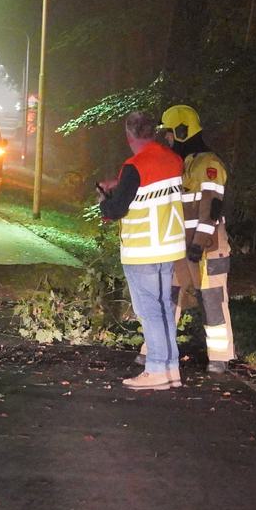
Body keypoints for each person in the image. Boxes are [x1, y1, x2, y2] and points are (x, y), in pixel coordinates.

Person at [98, 110, 187, 390]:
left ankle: (157, 370)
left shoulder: (134, 167)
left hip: (142, 249)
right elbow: (149, 190)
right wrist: (121, 184)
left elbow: (117, 209)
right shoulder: (173, 160)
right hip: (168, 245)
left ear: (129, 135)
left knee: (149, 310)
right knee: (163, 307)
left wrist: (104, 200)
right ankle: (170, 368)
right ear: (153, 132)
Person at [162, 104, 237, 372]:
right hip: (180, 247)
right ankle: (157, 352)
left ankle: (220, 357)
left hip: (208, 248)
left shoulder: (209, 164)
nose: (167, 139)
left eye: (169, 133)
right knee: (168, 297)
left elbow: (212, 207)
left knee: (213, 300)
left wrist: (198, 244)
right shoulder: (179, 164)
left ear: (182, 131)